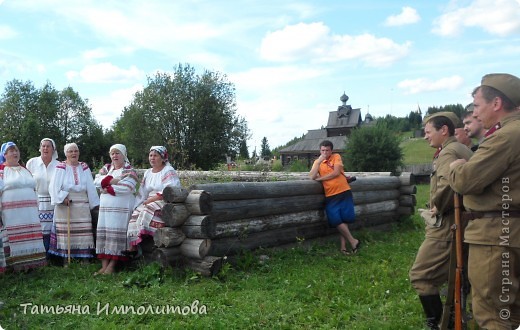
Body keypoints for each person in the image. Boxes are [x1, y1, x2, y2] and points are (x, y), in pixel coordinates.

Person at [449, 73, 520, 329]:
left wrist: (456, 166)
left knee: (493, 313)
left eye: (478, 106)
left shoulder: (505, 136)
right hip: (510, 234)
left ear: (497, 103)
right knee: (511, 311)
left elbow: (466, 180)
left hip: (495, 237)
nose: (476, 114)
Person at [409, 112, 473, 329]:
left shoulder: (448, 152)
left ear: (443, 130)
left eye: (428, 132)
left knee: (421, 275)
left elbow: (448, 185)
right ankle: (454, 317)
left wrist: (437, 205)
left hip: (447, 225)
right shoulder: (461, 148)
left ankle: (438, 323)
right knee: (455, 275)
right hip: (461, 223)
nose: (426, 136)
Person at [125, 146, 181, 256]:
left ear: (163, 158)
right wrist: (138, 204)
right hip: (149, 200)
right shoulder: (148, 172)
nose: (152, 158)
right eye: (150, 155)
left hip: (164, 200)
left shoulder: (168, 170)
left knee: (148, 210)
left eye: (155, 156)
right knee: (136, 213)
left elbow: (171, 189)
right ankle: (133, 246)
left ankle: (151, 239)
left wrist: (152, 199)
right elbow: (142, 191)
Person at [48, 143, 100, 262]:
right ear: (66, 154)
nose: (73, 153)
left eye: (75, 151)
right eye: (70, 151)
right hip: (66, 204)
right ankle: (66, 259)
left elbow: (90, 186)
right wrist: (62, 198)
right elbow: (53, 186)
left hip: (82, 203)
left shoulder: (84, 166)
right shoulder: (61, 167)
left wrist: (94, 203)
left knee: (84, 232)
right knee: (66, 233)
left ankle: (84, 258)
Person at [0, 141, 47, 271]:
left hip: (29, 213)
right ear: (4, 154)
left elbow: (34, 188)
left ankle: (32, 263)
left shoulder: (25, 169)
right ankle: (14, 266)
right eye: (11, 151)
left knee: (30, 235)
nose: (15, 153)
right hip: (11, 214)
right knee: (13, 237)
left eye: (16, 150)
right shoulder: (1, 170)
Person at [309, 140, 361, 256]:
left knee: (344, 219)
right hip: (331, 194)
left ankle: (343, 248)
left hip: (343, 191)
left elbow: (336, 173)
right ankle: (353, 241)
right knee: (335, 220)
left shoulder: (336, 157)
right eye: (322, 150)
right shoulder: (317, 162)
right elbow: (311, 176)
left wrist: (320, 179)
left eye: (327, 150)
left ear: (331, 150)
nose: (325, 152)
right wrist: (318, 163)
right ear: (320, 150)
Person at [93, 144, 138, 275]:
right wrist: (114, 180)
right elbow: (96, 181)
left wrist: (107, 188)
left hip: (121, 208)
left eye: (117, 153)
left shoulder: (129, 170)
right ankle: (104, 265)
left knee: (116, 234)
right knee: (105, 234)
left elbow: (127, 187)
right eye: (112, 153)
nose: (115, 156)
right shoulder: (106, 168)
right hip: (106, 209)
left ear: (123, 155)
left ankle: (112, 266)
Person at [26, 138, 60, 253]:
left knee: (52, 229)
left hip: (54, 201)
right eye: (43, 146)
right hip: (37, 200)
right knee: (38, 228)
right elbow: (27, 181)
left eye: (48, 146)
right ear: (40, 148)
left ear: (53, 149)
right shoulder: (32, 162)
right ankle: (39, 253)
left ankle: (52, 253)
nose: (45, 148)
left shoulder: (58, 165)